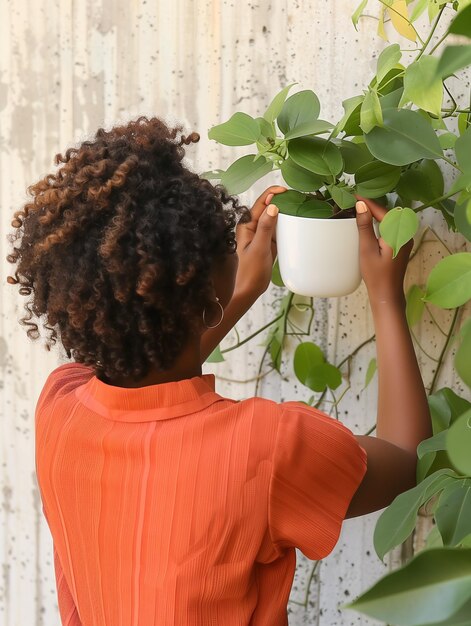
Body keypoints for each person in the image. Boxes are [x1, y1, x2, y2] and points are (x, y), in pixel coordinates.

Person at [7, 116, 431, 626]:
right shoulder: (267, 446)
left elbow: (146, 363)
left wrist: (233, 294)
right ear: (208, 294)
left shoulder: (61, 407)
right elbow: (406, 462)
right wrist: (386, 296)